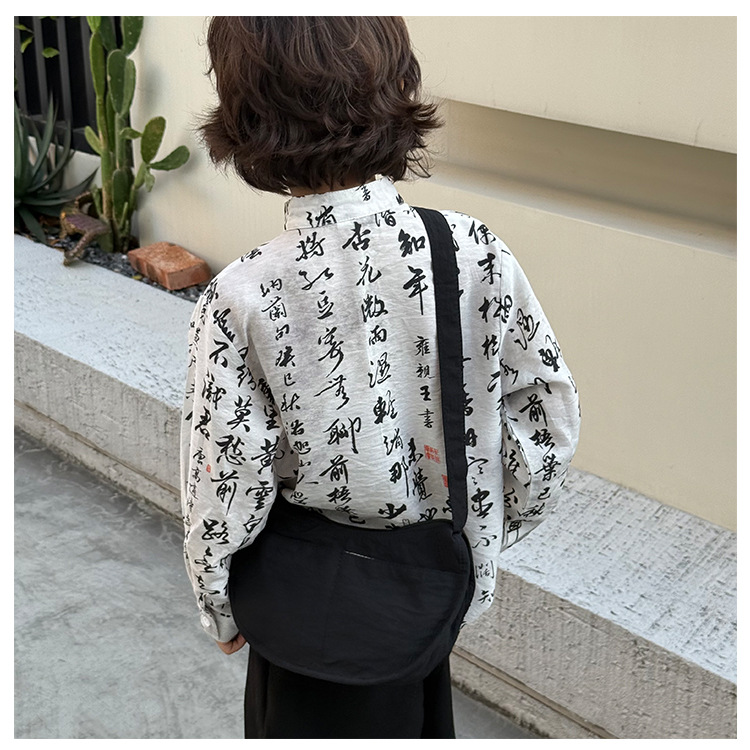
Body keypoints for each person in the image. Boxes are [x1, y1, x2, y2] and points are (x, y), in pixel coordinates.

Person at [180, 16, 580, 739]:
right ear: (396, 84)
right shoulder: (474, 253)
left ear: (244, 113)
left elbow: (223, 476)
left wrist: (220, 605)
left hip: (299, 612)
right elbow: (545, 420)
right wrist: (478, 543)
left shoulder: (243, 294)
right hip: (427, 599)